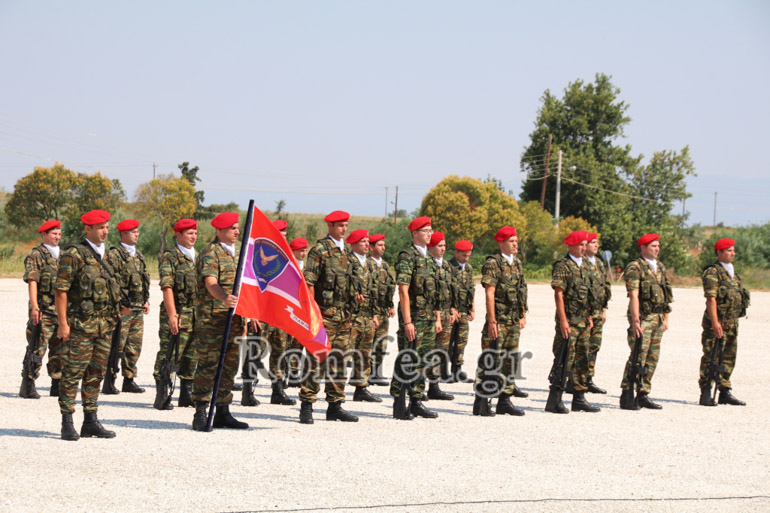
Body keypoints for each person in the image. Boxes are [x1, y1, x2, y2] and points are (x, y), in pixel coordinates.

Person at [55, 209, 125, 440]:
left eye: (106, 226)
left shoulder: (110, 256)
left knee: (96, 373)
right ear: (88, 229)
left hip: (105, 326)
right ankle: (67, 421)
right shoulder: (74, 254)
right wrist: (63, 323)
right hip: (79, 326)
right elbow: (61, 291)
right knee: (73, 372)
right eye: (100, 227)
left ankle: (91, 421)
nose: (105, 231)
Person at [298, 210, 360, 424]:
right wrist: (312, 313)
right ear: (331, 226)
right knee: (316, 359)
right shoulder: (320, 250)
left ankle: (335, 405)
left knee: (340, 360)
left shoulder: (346, 253)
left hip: (344, 316)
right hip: (323, 316)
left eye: (346, 225)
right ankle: (307, 404)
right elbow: (309, 283)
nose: (344, 229)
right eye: (341, 225)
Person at [191, 212, 249, 431]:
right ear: (220, 231)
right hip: (211, 319)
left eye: (237, 228)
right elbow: (210, 282)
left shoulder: (237, 255)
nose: (236, 231)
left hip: (233, 320)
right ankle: (201, 411)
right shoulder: (210, 253)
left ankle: (223, 411)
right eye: (232, 228)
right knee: (208, 365)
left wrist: (245, 317)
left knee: (229, 366)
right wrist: (224, 297)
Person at [389, 216, 441, 420]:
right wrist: (408, 321)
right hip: (414, 318)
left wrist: (437, 318)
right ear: (415, 233)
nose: (430, 234)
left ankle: (416, 400)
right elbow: (403, 290)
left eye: (431, 230)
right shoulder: (407, 257)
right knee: (407, 358)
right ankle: (398, 398)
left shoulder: (429, 258)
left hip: (427, 318)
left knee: (423, 360)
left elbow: (434, 292)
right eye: (425, 230)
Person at [475, 226, 528, 416]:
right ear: (501, 243)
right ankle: (481, 401)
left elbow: (522, 289)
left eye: (516, 241)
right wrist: (492, 321)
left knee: (510, 360)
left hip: (513, 320)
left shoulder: (517, 263)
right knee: (490, 360)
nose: (515, 244)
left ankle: (504, 400)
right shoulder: (493, 263)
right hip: (498, 321)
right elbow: (489, 293)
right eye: (511, 241)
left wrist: (522, 314)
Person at [547, 230, 600, 414]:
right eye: (580, 244)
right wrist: (562, 320)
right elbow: (558, 294)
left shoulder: (586, 265)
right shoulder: (563, 265)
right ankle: (556, 399)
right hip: (569, 320)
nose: (583, 247)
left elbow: (590, 294)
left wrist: (591, 316)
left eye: (585, 244)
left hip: (584, 320)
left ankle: (579, 398)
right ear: (571, 245)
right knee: (564, 359)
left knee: (582, 359)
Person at [620, 233, 672, 410]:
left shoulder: (660, 267)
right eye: (653, 246)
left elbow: (666, 294)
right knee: (637, 356)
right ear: (643, 248)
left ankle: (643, 393)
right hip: (643, 318)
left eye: (658, 246)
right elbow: (633, 296)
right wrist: (635, 321)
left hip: (657, 319)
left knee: (652, 358)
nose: (656, 249)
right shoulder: (635, 267)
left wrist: (665, 317)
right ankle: (627, 393)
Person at [152, 218, 199, 410]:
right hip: (178, 311)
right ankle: (162, 393)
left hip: (196, 312)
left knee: (192, 354)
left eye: (195, 233)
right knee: (170, 352)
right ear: (178, 235)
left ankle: (186, 394)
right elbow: (167, 286)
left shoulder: (200, 256)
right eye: (189, 233)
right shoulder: (171, 256)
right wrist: (172, 315)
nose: (193, 237)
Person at [698, 238, 749, 406]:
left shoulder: (734, 274)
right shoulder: (713, 272)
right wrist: (715, 323)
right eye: (728, 250)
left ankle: (724, 390)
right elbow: (711, 300)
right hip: (717, 322)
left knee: (728, 357)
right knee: (711, 357)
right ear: (719, 253)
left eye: (733, 250)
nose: (732, 253)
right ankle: (706, 391)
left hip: (732, 322)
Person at [103, 219, 150, 394]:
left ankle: (129, 380)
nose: (137, 234)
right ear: (123, 234)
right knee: (117, 345)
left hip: (137, 308)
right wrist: (118, 305)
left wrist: (146, 300)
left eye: (137, 231)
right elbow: (111, 281)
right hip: (124, 308)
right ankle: (110, 378)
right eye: (133, 232)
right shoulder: (115, 255)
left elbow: (143, 280)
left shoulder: (138, 255)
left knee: (134, 346)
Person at [20, 219, 63, 399]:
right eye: (54, 233)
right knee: (37, 347)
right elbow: (32, 281)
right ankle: (28, 384)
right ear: (44, 234)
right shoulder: (36, 255)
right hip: (44, 310)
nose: (57, 237)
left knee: (59, 349)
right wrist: (35, 307)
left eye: (59, 234)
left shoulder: (63, 255)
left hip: (59, 311)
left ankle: (56, 384)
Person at [346, 229, 381, 403]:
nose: (367, 245)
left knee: (365, 354)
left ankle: (361, 388)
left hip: (367, 316)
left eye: (368, 241)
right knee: (344, 353)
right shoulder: (347, 262)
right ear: (353, 244)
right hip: (351, 316)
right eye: (363, 242)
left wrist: (374, 314)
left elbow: (374, 289)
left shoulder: (371, 265)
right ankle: (335, 391)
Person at [264, 219, 296, 406]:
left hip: (281, 312)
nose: (284, 239)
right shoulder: (259, 255)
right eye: (280, 236)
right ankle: (247, 389)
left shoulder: (287, 256)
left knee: (280, 350)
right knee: (257, 349)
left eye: (285, 236)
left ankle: (277, 390)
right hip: (264, 311)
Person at [426, 232, 456, 401]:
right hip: (430, 313)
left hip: (445, 313)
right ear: (431, 247)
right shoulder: (427, 264)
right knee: (427, 351)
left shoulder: (446, 266)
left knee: (440, 351)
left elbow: (451, 290)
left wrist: (452, 308)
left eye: (444, 245)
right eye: (439, 245)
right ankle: (417, 387)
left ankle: (434, 386)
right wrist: (437, 316)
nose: (443, 249)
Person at [583, 233, 611, 394]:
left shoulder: (599, 263)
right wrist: (588, 314)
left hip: (599, 311)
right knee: (582, 347)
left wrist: (604, 309)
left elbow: (605, 288)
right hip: (587, 312)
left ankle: (588, 378)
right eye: (592, 242)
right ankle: (574, 379)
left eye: (596, 242)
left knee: (594, 346)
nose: (595, 245)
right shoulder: (582, 263)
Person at [368, 233, 395, 387]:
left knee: (381, 344)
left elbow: (390, 286)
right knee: (369, 343)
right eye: (380, 245)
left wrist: (391, 305)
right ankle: (366, 374)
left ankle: (377, 373)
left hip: (384, 311)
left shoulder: (384, 265)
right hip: (373, 311)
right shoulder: (367, 264)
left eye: (384, 245)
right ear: (371, 248)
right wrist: (373, 313)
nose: (383, 247)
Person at [448, 240, 475, 384]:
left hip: (464, 310)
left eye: (468, 256)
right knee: (448, 341)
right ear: (456, 252)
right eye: (464, 255)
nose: (466, 258)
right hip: (451, 311)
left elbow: (472, 289)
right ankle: (443, 371)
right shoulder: (448, 267)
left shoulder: (469, 269)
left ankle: (457, 370)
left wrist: (473, 308)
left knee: (461, 341)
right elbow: (445, 290)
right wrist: (451, 308)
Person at [284, 237, 309, 387]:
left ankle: (295, 371)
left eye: (305, 250)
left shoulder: (307, 268)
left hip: (303, 310)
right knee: (290, 343)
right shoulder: (289, 267)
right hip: (290, 308)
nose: (303, 253)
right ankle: (291, 373)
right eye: (300, 251)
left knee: (300, 342)